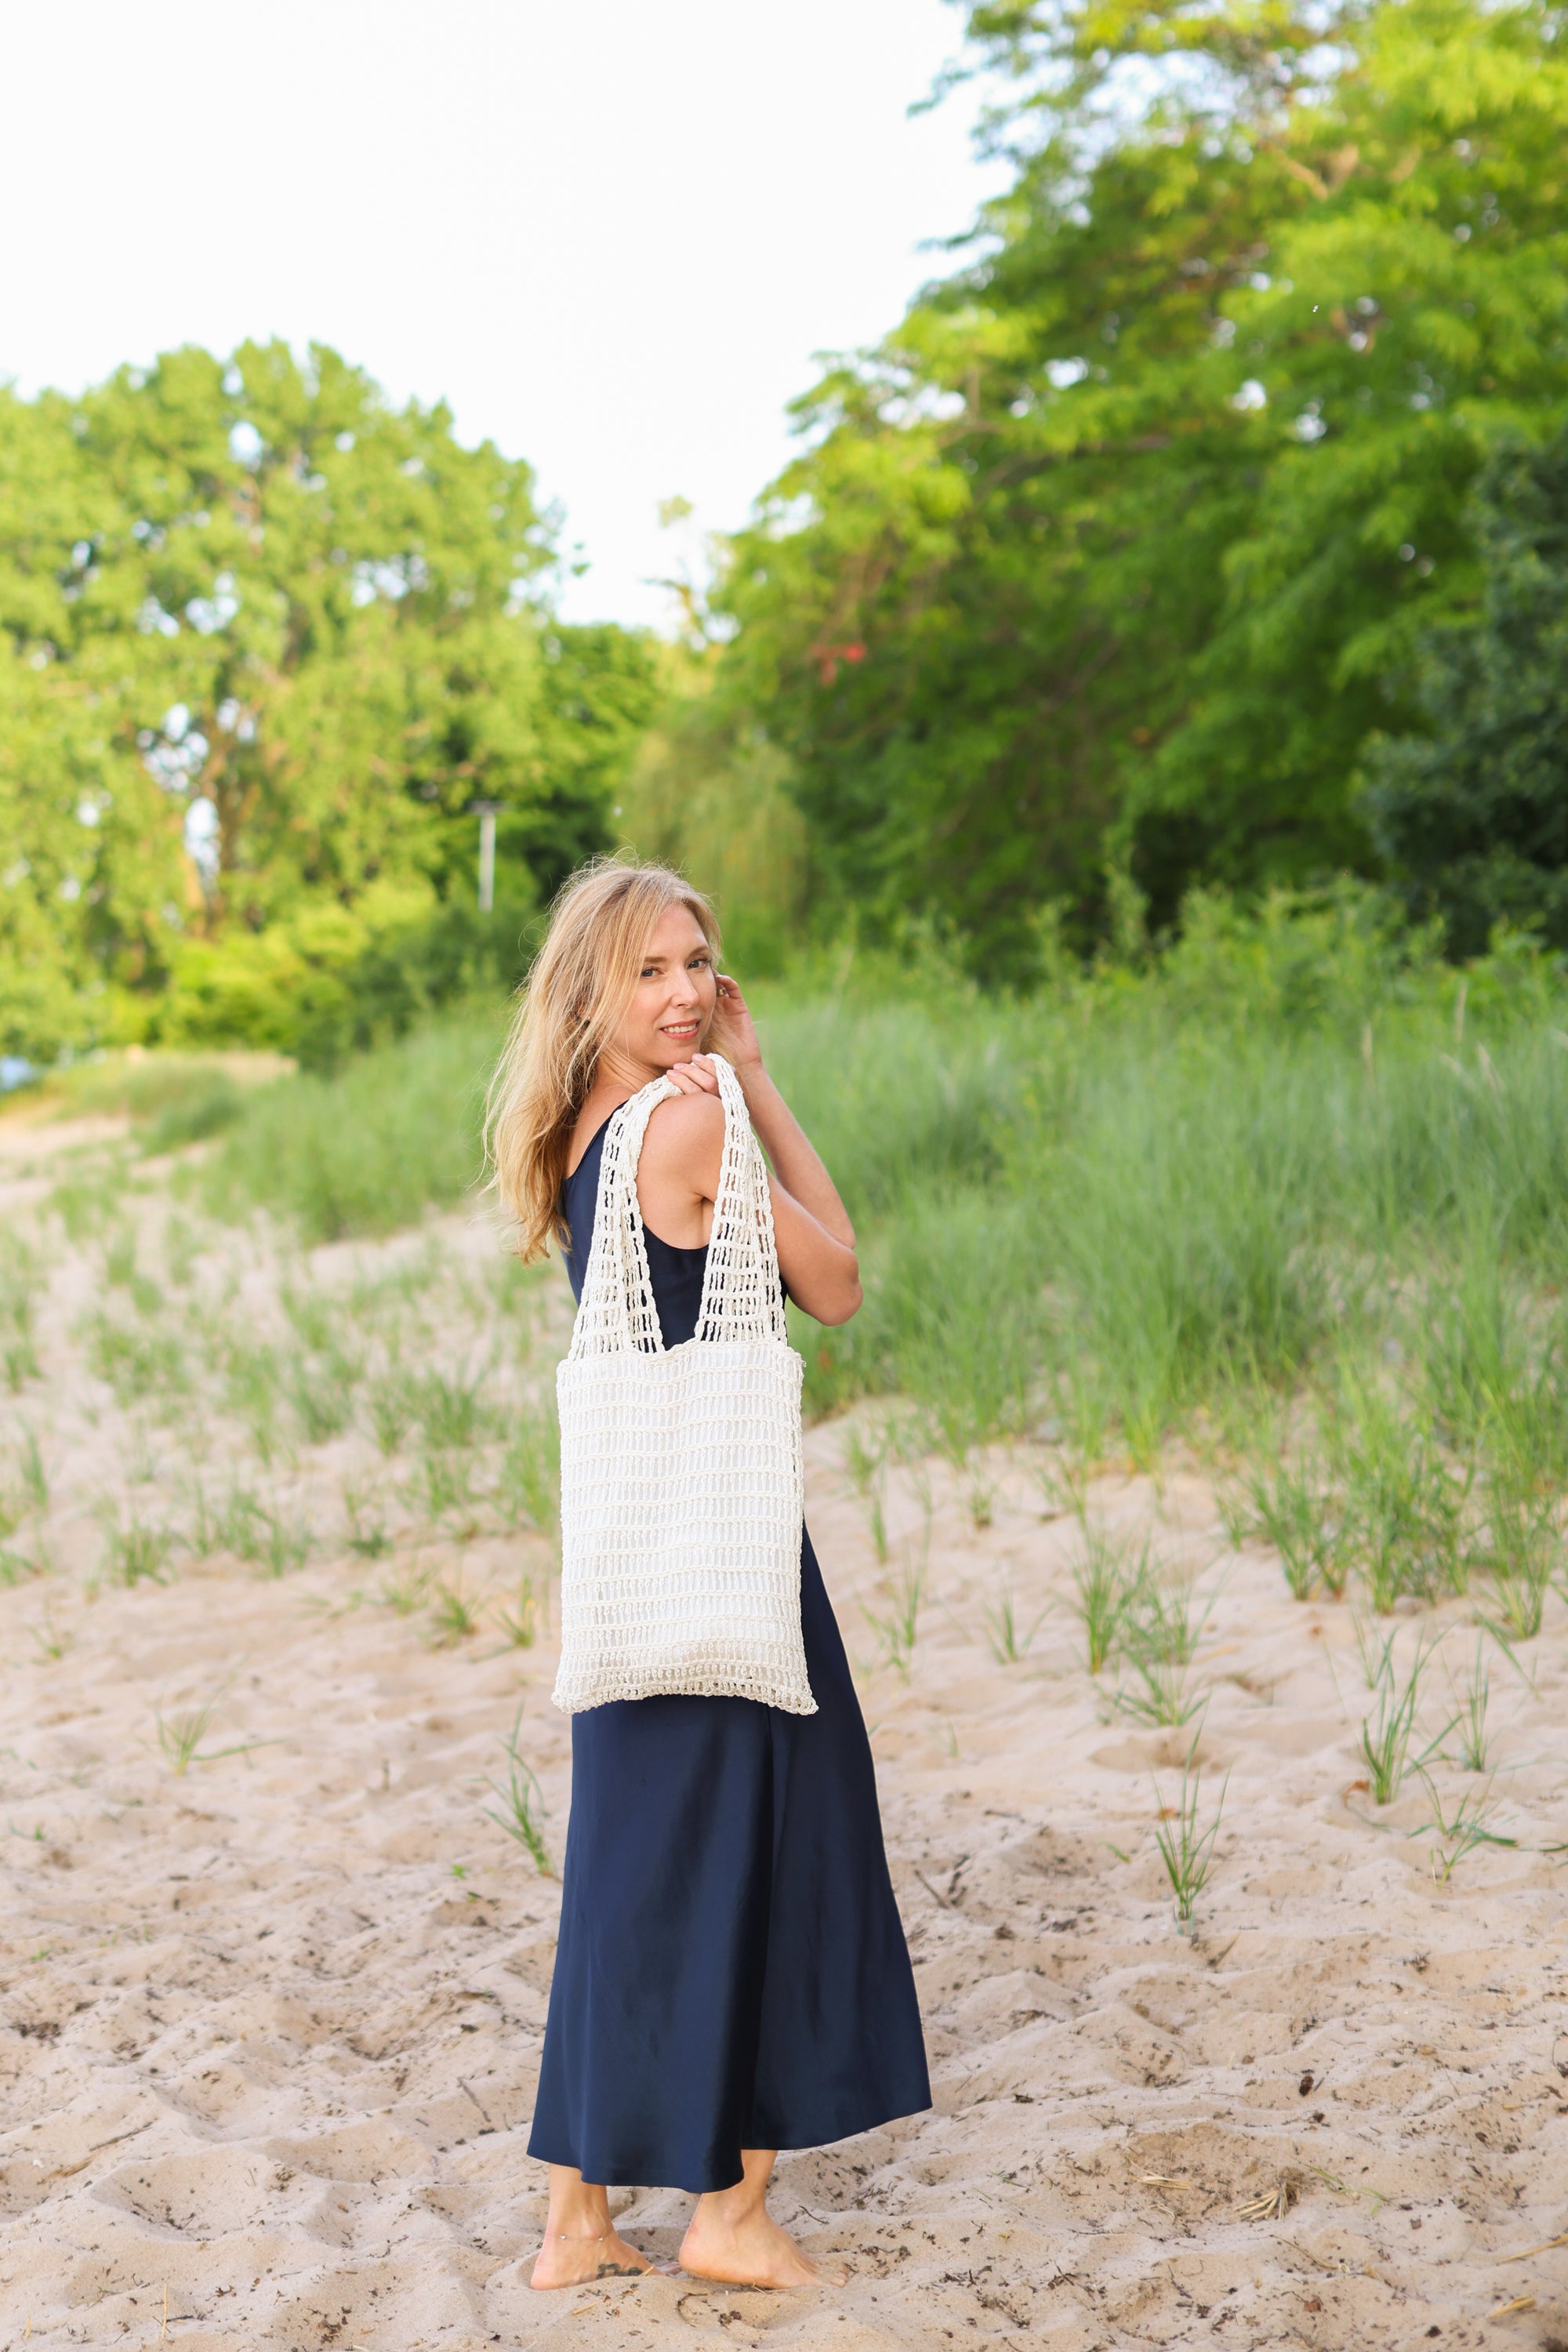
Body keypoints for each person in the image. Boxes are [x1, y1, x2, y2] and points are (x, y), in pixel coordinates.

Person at [485, 858, 930, 2292]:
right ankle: (730, 2214)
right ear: (595, 992)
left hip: (632, 1560)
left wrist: (740, 1072)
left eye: (699, 965)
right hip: (724, 1548)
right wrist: (758, 1082)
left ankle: (577, 2219)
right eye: (653, 973)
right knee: (768, 1851)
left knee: (627, 1877)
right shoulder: (690, 1123)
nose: (686, 996)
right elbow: (843, 1280)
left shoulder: (581, 1132)